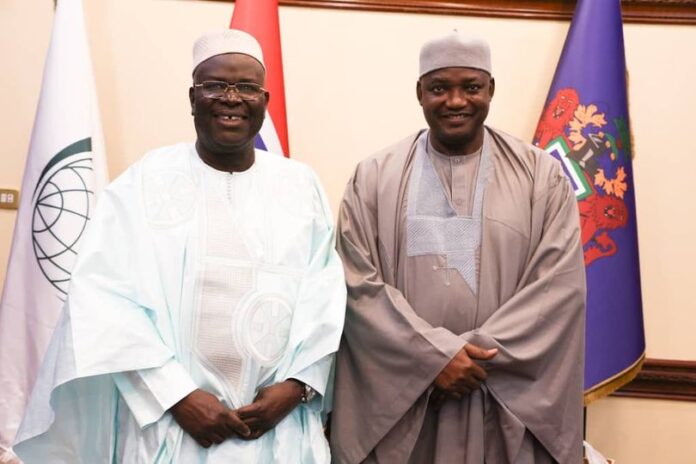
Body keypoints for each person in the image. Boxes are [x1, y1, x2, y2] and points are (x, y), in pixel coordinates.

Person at [13, 29, 346, 463]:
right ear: (192, 99)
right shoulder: (144, 182)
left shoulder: (301, 186)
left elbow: (325, 298)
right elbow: (103, 298)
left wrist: (297, 387)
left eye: (246, 87)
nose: (231, 98)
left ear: (265, 101)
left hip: (279, 433)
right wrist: (177, 395)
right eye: (215, 86)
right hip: (173, 428)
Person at [330, 31, 586, 464]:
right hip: (406, 405)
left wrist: (472, 357)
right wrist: (435, 359)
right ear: (419, 93)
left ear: (490, 89)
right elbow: (357, 286)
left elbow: (558, 288)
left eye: (470, 87)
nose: (455, 101)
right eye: (439, 88)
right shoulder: (373, 177)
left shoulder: (541, 177)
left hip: (502, 401)